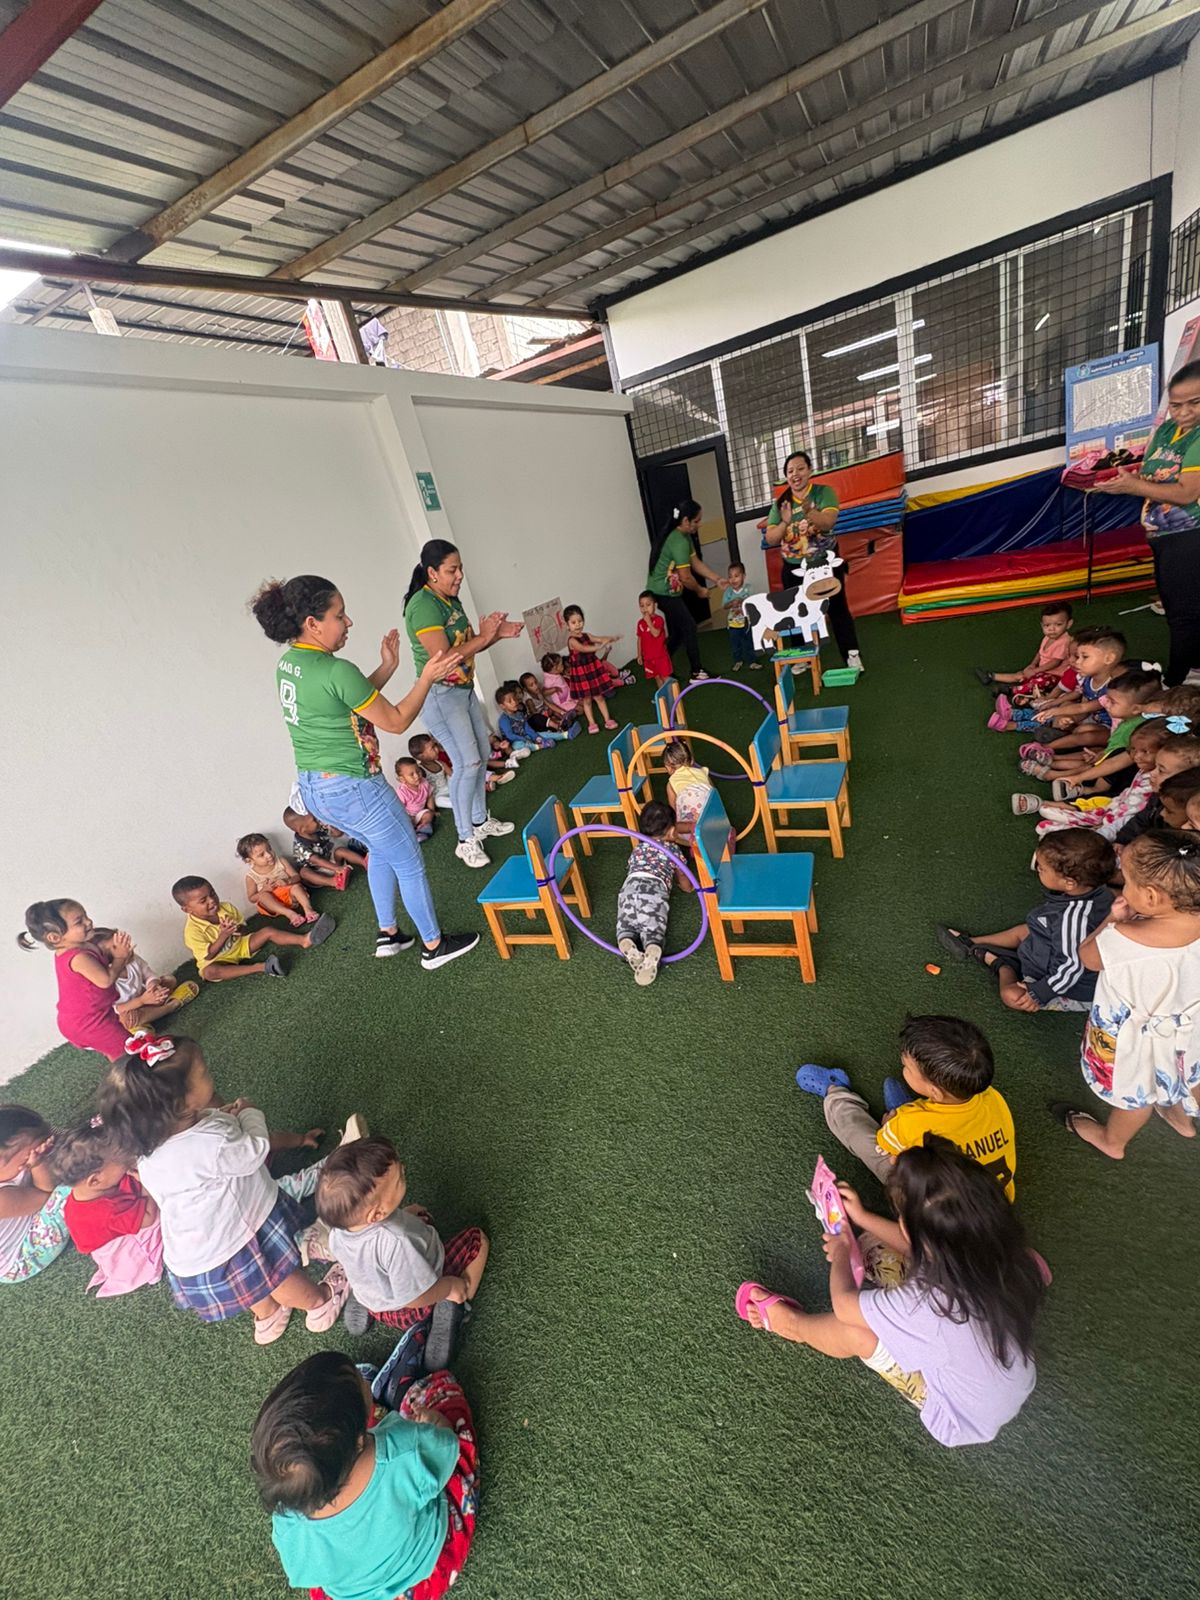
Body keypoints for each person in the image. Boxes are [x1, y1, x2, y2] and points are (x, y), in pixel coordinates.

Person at [737, 1139, 1042, 1447]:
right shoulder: (995, 1247)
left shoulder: (928, 1306)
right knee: (872, 1246)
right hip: (1009, 1378)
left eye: (902, 1218)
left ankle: (791, 1325)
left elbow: (844, 1306)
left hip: (956, 1415)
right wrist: (862, 1217)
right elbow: (916, 1247)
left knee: (856, 1333)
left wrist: (841, 1251)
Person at [253, 572, 478, 968]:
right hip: (355, 788)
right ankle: (433, 946)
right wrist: (427, 677)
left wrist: (387, 667)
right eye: (340, 615)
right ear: (313, 623)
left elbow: (345, 701)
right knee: (408, 861)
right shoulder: (335, 669)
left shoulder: (290, 665)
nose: (348, 622)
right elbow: (395, 720)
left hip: (316, 791)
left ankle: (389, 933)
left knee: (380, 849)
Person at [98, 1038, 351, 1344]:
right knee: (275, 1277)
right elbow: (254, 1151)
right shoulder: (211, 1142)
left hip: (196, 1253)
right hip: (237, 1239)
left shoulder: (148, 1157)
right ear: (180, 1102)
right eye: (203, 1073)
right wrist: (249, 1114)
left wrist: (225, 1119)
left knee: (251, 1285)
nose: (210, 1073)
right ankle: (320, 1303)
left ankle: (268, 1317)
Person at [253, 1352, 479, 1600]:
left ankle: (362, 1412)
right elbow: (446, 1449)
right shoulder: (402, 1451)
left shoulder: (289, 1527)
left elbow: (302, 1573)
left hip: (361, 1594)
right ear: (358, 1442)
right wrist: (437, 1423)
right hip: (425, 1569)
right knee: (444, 1397)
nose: (362, 1379)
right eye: (361, 1380)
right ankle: (388, 1400)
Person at [1053, 831, 1200, 1158]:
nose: (1123, 887)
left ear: (1151, 897)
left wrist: (1112, 919)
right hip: (1190, 1031)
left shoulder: (1124, 937)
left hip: (1134, 1039)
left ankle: (1112, 1142)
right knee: (1187, 1069)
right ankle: (1181, 1118)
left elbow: (1088, 957)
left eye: (1128, 882)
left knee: (1136, 1093)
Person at [795, 1015, 1016, 1199]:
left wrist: (892, 1125)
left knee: (858, 1135)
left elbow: (890, 1150)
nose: (903, 1068)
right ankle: (908, 1108)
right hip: (991, 1209)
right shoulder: (992, 1097)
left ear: (935, 1091)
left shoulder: (911, 1124)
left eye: (906, 1067)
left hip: (932, 1213)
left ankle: (835, 1091)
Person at [401, 541, 522, 871]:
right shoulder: (423, 605)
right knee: (466, 763)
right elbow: (445, 657)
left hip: (463, 690)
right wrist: (484, 637)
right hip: (440, 696)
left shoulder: (449, 598)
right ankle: (465, 839)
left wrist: (497, 635)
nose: (459, 576)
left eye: (460, 568)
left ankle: (480, 820)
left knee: (481, 754)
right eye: (452, 570)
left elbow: (465, 646)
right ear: (432, 572)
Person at [318, 1136, 488, 1359]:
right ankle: (451, 1307)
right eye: (400, 1179)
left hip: (378, 1302)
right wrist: (448, 1287)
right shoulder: (398, 1241)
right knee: (477, 1240)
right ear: (377, 1215)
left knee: (421, 1219)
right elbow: (414, 1298)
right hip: (412, 1306)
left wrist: (404, 1215)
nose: (404, 1170)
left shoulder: (338, 1233)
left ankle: (364, 1301)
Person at [1094, 359, 1200, 685]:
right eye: (1176, 405)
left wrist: (1133, 486)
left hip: (1190, 535)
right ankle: (1193, 668)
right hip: (1164, 535)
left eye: (1195, 402)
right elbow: (1152, 475)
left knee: (1183, 614)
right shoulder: (1167, 430)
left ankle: (1178, 680)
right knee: (1178, 605)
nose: (1183, 412)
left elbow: (1186, 493)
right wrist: (1124, 482)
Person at [937, 830, 1115, 1013]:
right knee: (1027, 929)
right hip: (1051, 948)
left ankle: (1003, 965)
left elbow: (1072, 967)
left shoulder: (1074, 919)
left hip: (1066, 985)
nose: (1038, 869)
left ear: (1069, 883)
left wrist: (1040, 992)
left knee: (1012, 996)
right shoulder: (1096, 889)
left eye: (1042, 869)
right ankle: (970, 942)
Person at [763, 451, 862, 671]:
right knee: (796, 612)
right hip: (794, 567)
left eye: (800, 469)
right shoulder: (781, 503)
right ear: (786, 476)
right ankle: (801, 658)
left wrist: (809, 510)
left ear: (809, 470)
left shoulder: (823, 493)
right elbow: (771, 538)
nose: (795, 474)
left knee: (837, 608)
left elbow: (828, 522)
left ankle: (851, 654)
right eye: (790, 471)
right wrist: (785, 522)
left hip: (824, 563)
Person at [52, 1115, 163, 1297]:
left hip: (113, 1240)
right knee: (162, 1215)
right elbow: (149, 1218)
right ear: (95, 1180)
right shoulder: (106, 1212)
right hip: (130, 1256)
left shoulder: (85, 1193)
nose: (128, 1161)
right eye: (122, 1161)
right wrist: (146, 1182)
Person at [18, 899, 136, 1061]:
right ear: (55, 937)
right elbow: (105, 980)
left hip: (92, 1015)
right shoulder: (78, 957)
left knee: (119, 1051)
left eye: (86, 916)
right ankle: (133, 1075)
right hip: (89, 1023)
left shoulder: (83, 946)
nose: (89, 922)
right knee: (130, 1051)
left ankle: (122, 1071)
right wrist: (120, 958)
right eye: (79, 921)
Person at [1017, 668, 1160, 800]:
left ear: (1136, 709)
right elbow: (1083, 707)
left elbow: (1117, 759)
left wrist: (1102, 757)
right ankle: (1052, 759)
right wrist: (1054, 711)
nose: (1107, 704)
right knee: (1091, 756)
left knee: (1092, 764)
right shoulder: (1127, 716)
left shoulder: (1139, 730)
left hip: (1118, 770)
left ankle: (1055, 774)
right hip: (1111, 754)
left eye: (1113, 702)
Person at [172, 876, 331, 982]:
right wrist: (224, 935)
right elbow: (209, 955)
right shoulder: (192, 931)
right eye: (203, 901)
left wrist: (237, 929)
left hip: (240, 945)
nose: (212, 900)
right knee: (209, 972)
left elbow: (245, 931)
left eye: (212, 893)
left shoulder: (226, 907)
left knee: (268, 931)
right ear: (187, 909)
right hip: (218, 960)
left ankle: (304, 940)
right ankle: (261, 967)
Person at [1028, 720, 1168, 838]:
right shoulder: (1144, 769)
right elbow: (1125, 795)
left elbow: (1133, 815)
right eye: (1133, 749)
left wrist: (1105, 826)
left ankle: (1088, 830)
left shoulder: (1157, 781)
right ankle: (1088, 817)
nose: (1137, 756)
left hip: (1122, 826)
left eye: (1145, 752)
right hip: (1114, 810)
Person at [644, 499, 725, 681]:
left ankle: (661, 665)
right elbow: (686, 577)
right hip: (661, 593)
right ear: (686, 521)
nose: (699, 524)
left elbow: (695, 563)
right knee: (689, 626)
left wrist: (717, 579)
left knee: (680, 631)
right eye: (697, 520)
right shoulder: (678, 541)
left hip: (669, 591)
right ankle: (696, 672)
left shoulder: (684, 537)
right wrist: (700, 590)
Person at [616, 800, 692, 987]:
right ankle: (652, 947)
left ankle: (626, 940)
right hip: (654, 892)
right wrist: (688, 888)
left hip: (629, 889)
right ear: (672, 832)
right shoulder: (673, 851)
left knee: (625, 924)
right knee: (653, 930)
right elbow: (683, 876)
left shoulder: (638, 849)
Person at [0, 1106, 69, 1286]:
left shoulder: (10, 1167)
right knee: (67, 1190)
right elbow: (47, 1197)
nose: (44, 1146)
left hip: (32, 1206)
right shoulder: (2, 1200)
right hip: (23, 1256)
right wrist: (38, 1164)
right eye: (34, 1150)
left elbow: (51, 1134)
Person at [90, 926, 198, 1034]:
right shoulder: (106, 981)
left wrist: (153, 987)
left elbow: (149, 976)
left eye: (122, 942)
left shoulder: (134, 960)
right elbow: (116, 1009)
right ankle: (171, 1006)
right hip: (128, 1010)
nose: (126, 947)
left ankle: (147, 1018)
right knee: (125, 1019)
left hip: (144, 997)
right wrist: (142, 1000)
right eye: (116, 947)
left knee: (169, 980)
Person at [976, 600, 1073, 689]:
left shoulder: (1064, 641)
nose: (1052, 629)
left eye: (1058, 624)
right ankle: (991, 676)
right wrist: (1032, 665)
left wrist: (1035, 671)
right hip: (1042, 670)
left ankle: (1011, 690)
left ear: (1069, 624)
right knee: (1020, 675)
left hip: (1055, 676)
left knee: (1039, 681)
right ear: (1042, 625)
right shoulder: (1048, 637)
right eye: (1047, 625)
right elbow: (1040, 653)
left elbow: (1056, 662)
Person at [237, 832, 320, 926]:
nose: (269, 855)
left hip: (290, 898)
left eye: (269, 849)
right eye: (262, 855)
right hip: (272, 905)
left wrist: (287, 881)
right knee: (263, 896)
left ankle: (308, 910)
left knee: (296, 887)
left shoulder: (281, 861)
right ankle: (291, 915)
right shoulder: (251, 876)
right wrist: (264, 889)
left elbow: (296, 877)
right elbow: (252, 898)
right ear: (249, 860)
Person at [563, 605, 621, 733]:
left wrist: (611, 638)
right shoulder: (572, 640)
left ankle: (608, 720)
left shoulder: (587, 635)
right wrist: (599, 647)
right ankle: (592, 724)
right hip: (582, 674)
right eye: (573, 622)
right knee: (587, 700)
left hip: (592, 670)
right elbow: (583, 649)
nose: (578, 625)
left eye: (580, 621)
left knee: (599, 697)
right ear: (567, 625)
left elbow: (599, 639)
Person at [282, 806, 363, 891]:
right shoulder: (300, 846)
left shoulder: (318, 828)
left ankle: (364, 862)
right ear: (302, 829)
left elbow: (338, 834)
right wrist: (336, 868)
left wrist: (332, 826)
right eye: (314, 819)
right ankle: (334, 882)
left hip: (331, 861)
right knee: (304, 872)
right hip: (318, 871)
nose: (317, 820)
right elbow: (317, 860)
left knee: (340, 850)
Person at [663, 737, 716, 848]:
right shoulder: (703, 772)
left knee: (671, 825)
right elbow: (713, 793)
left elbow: (673, 810)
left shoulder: (671, 783)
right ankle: (714, 830)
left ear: (668, 767)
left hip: (690, 826)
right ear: (691, 760)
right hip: (712, 819)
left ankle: (693, 836)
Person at [495, 681, 557, 752]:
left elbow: (527, 728)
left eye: (514, 699)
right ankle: (541, 746)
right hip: (515, 742)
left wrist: (535, 737)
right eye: (510, 701)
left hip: (526, 737)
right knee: (518, 745)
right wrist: (524, 739)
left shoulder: (520, 714)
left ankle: (563, 735)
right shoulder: (504, 719)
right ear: (502, 706)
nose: (514, 702)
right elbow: (510, 736)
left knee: (542, 734)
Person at [722, 561, 758, 671]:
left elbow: (753, 602)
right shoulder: (728, 592)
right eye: (730, 577)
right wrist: (731, 603)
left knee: (749, 642)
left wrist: (742, 601)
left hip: (747, 622)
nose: (733, 579)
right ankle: (738, 660)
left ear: (744, 576)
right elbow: (724, 606)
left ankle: (752, 661)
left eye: (736, 576)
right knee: (735, 644)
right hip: (733, 623)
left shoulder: (749, 588)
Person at [519, 669, 576, 734]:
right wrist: (546, 714)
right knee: (547, 720)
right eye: (531, 685)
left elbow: (548, 704)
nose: (536, 686)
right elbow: (535, 714)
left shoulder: (538, 692)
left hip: (544, 712)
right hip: (538, 718)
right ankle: (560, 726)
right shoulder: (529, 700)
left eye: (536, 682)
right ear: (526, 689)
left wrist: (562, 712)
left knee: (553, 709)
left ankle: (565, 717)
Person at [636, 591, 673, 688]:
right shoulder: (640, 623)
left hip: (661, 656)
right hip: (648, 658)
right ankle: (662, 695)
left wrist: (649, 622)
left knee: (665, 677)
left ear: (655, 605)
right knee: (657, 677)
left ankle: (672, 694)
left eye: (648, 605)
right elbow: (640, 639)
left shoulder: (658, 619)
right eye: (642, 606)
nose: (645, 608)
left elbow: (656, 634)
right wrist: (639, 654)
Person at [393, 758, 436, 842]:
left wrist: (432, 810)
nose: (417, 776)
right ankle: (413, 834)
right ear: (402, 779)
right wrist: (409, 818)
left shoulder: (424, 783)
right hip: (408, 815)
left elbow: (430, 796)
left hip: (420, 813)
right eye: (411, 774)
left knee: (429, 814)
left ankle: (422, 829)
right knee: (406, 823)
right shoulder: (402, 791)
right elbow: (399, 809)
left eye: (418, 771)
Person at [540, 652, 581, 719]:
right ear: (554, 668)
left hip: (569, 697)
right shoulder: (548, 680)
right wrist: (554, 689)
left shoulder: (556, 673)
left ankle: (567, 713)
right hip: (563, 702)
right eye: (561, 665)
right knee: (581, 710)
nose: (563, 666)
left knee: (583, 703)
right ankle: (567, 715)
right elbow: (544, 692)